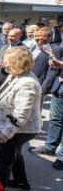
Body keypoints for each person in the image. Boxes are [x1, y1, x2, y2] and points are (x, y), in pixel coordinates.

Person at [0, 47, 42, 190]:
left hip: (20, 129)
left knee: (5, 157)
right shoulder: (16, 75)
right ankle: (22, 182)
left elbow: (20, 115)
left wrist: (5, 134)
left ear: (17, 63)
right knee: (15, 153)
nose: (2, 63)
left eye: (6, 61)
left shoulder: (27, 82)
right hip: (15, 126)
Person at [29, 31, 63, 171]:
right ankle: (50, 147)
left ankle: (61, 156)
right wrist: (57, 65)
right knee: (55, 119)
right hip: (59, 87)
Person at [0, 28, 25, 94]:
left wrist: (6, 65)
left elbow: (21, 65)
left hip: (11, 76)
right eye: (8, 36)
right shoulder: (5, 47)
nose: (9, 38)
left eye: (12, 36)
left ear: (19, 36)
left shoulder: (23, 49)